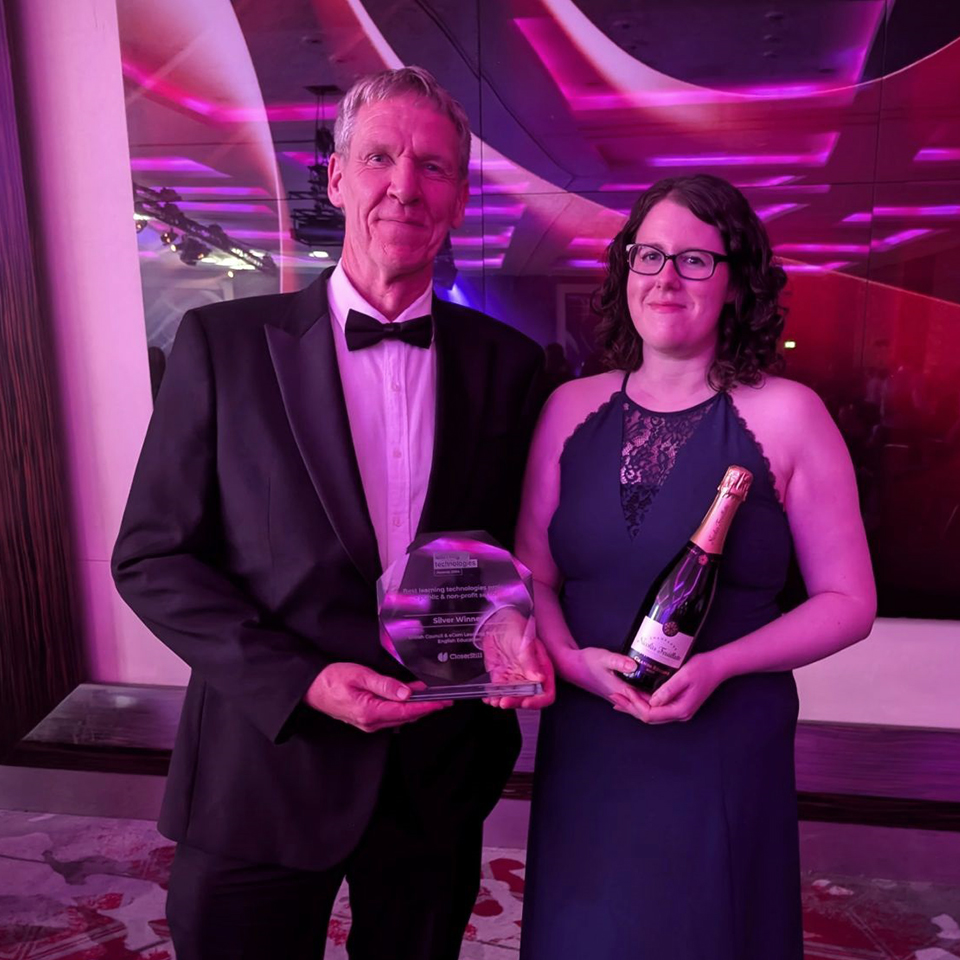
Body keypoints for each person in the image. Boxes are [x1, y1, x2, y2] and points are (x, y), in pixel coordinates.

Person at [112, 66, 553, 960]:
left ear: (458, 198)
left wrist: (514, 625)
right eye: (381, 158)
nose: (406, 186)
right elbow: (153, 558)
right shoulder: (223, 346)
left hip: (434, 777)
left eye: (433, 166)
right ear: (337, 178)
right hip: (261, 768)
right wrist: (304, 682)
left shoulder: (510, 364)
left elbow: (513, 551)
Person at [515, 173, 876, 959]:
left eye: (694, 260)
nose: (665, 278)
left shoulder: (790, 414)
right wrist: (571, 664)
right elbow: (533, 576)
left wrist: (719, 666)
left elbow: (849, 601)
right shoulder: (568, 409)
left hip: (723, 740)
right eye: (648, 255)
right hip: (590, 736)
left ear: (738, 282)